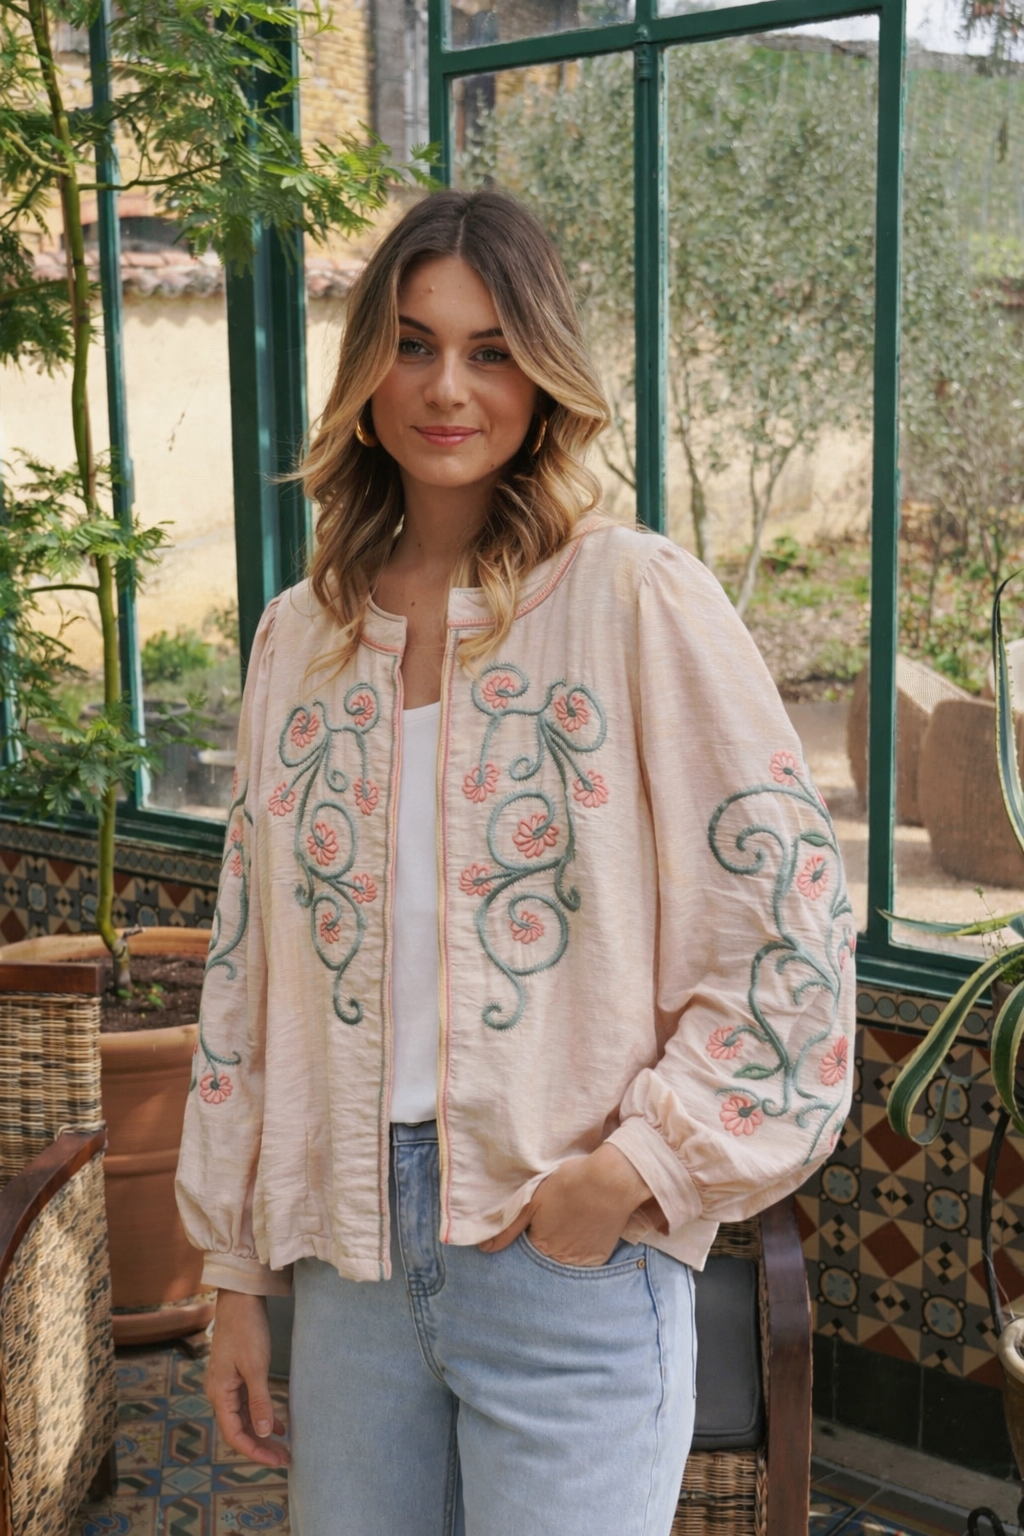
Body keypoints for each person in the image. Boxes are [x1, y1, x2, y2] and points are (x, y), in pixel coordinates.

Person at [176, 188, 855, 1536]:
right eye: (413, 344)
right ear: (365, 372)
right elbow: (246, 973)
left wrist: (634, 1173)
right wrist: (233, 1274)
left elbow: (789, 923)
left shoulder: (636, 597)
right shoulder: (298, 639)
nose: (448, 388)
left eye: (490, 351)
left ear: (543, 379)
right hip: (348, 1259)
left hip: (567, 1256)